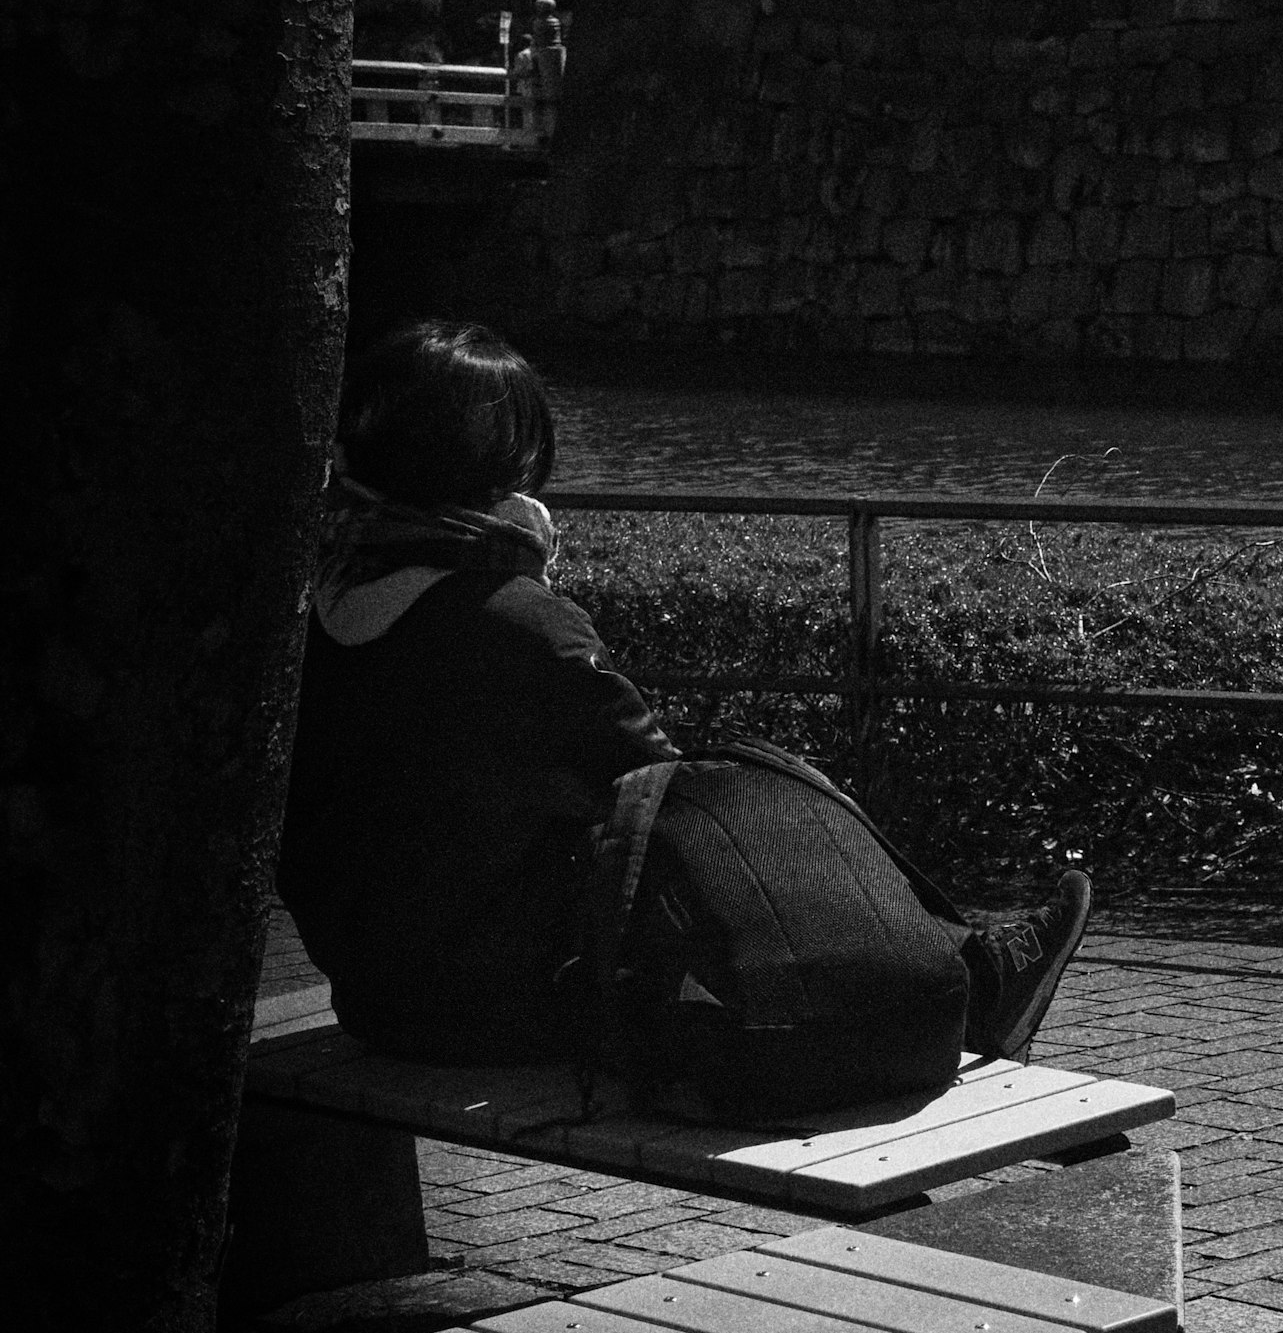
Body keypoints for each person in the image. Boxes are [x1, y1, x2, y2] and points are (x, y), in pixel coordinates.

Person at [280, 320, 1089, 1085]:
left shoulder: (313, 603)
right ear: (496, 467)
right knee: (751, 792)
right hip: (504, 1008)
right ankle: (972, 978)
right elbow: (668, 790)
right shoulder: (511, 619)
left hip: (374, 996)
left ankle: (968, 964)